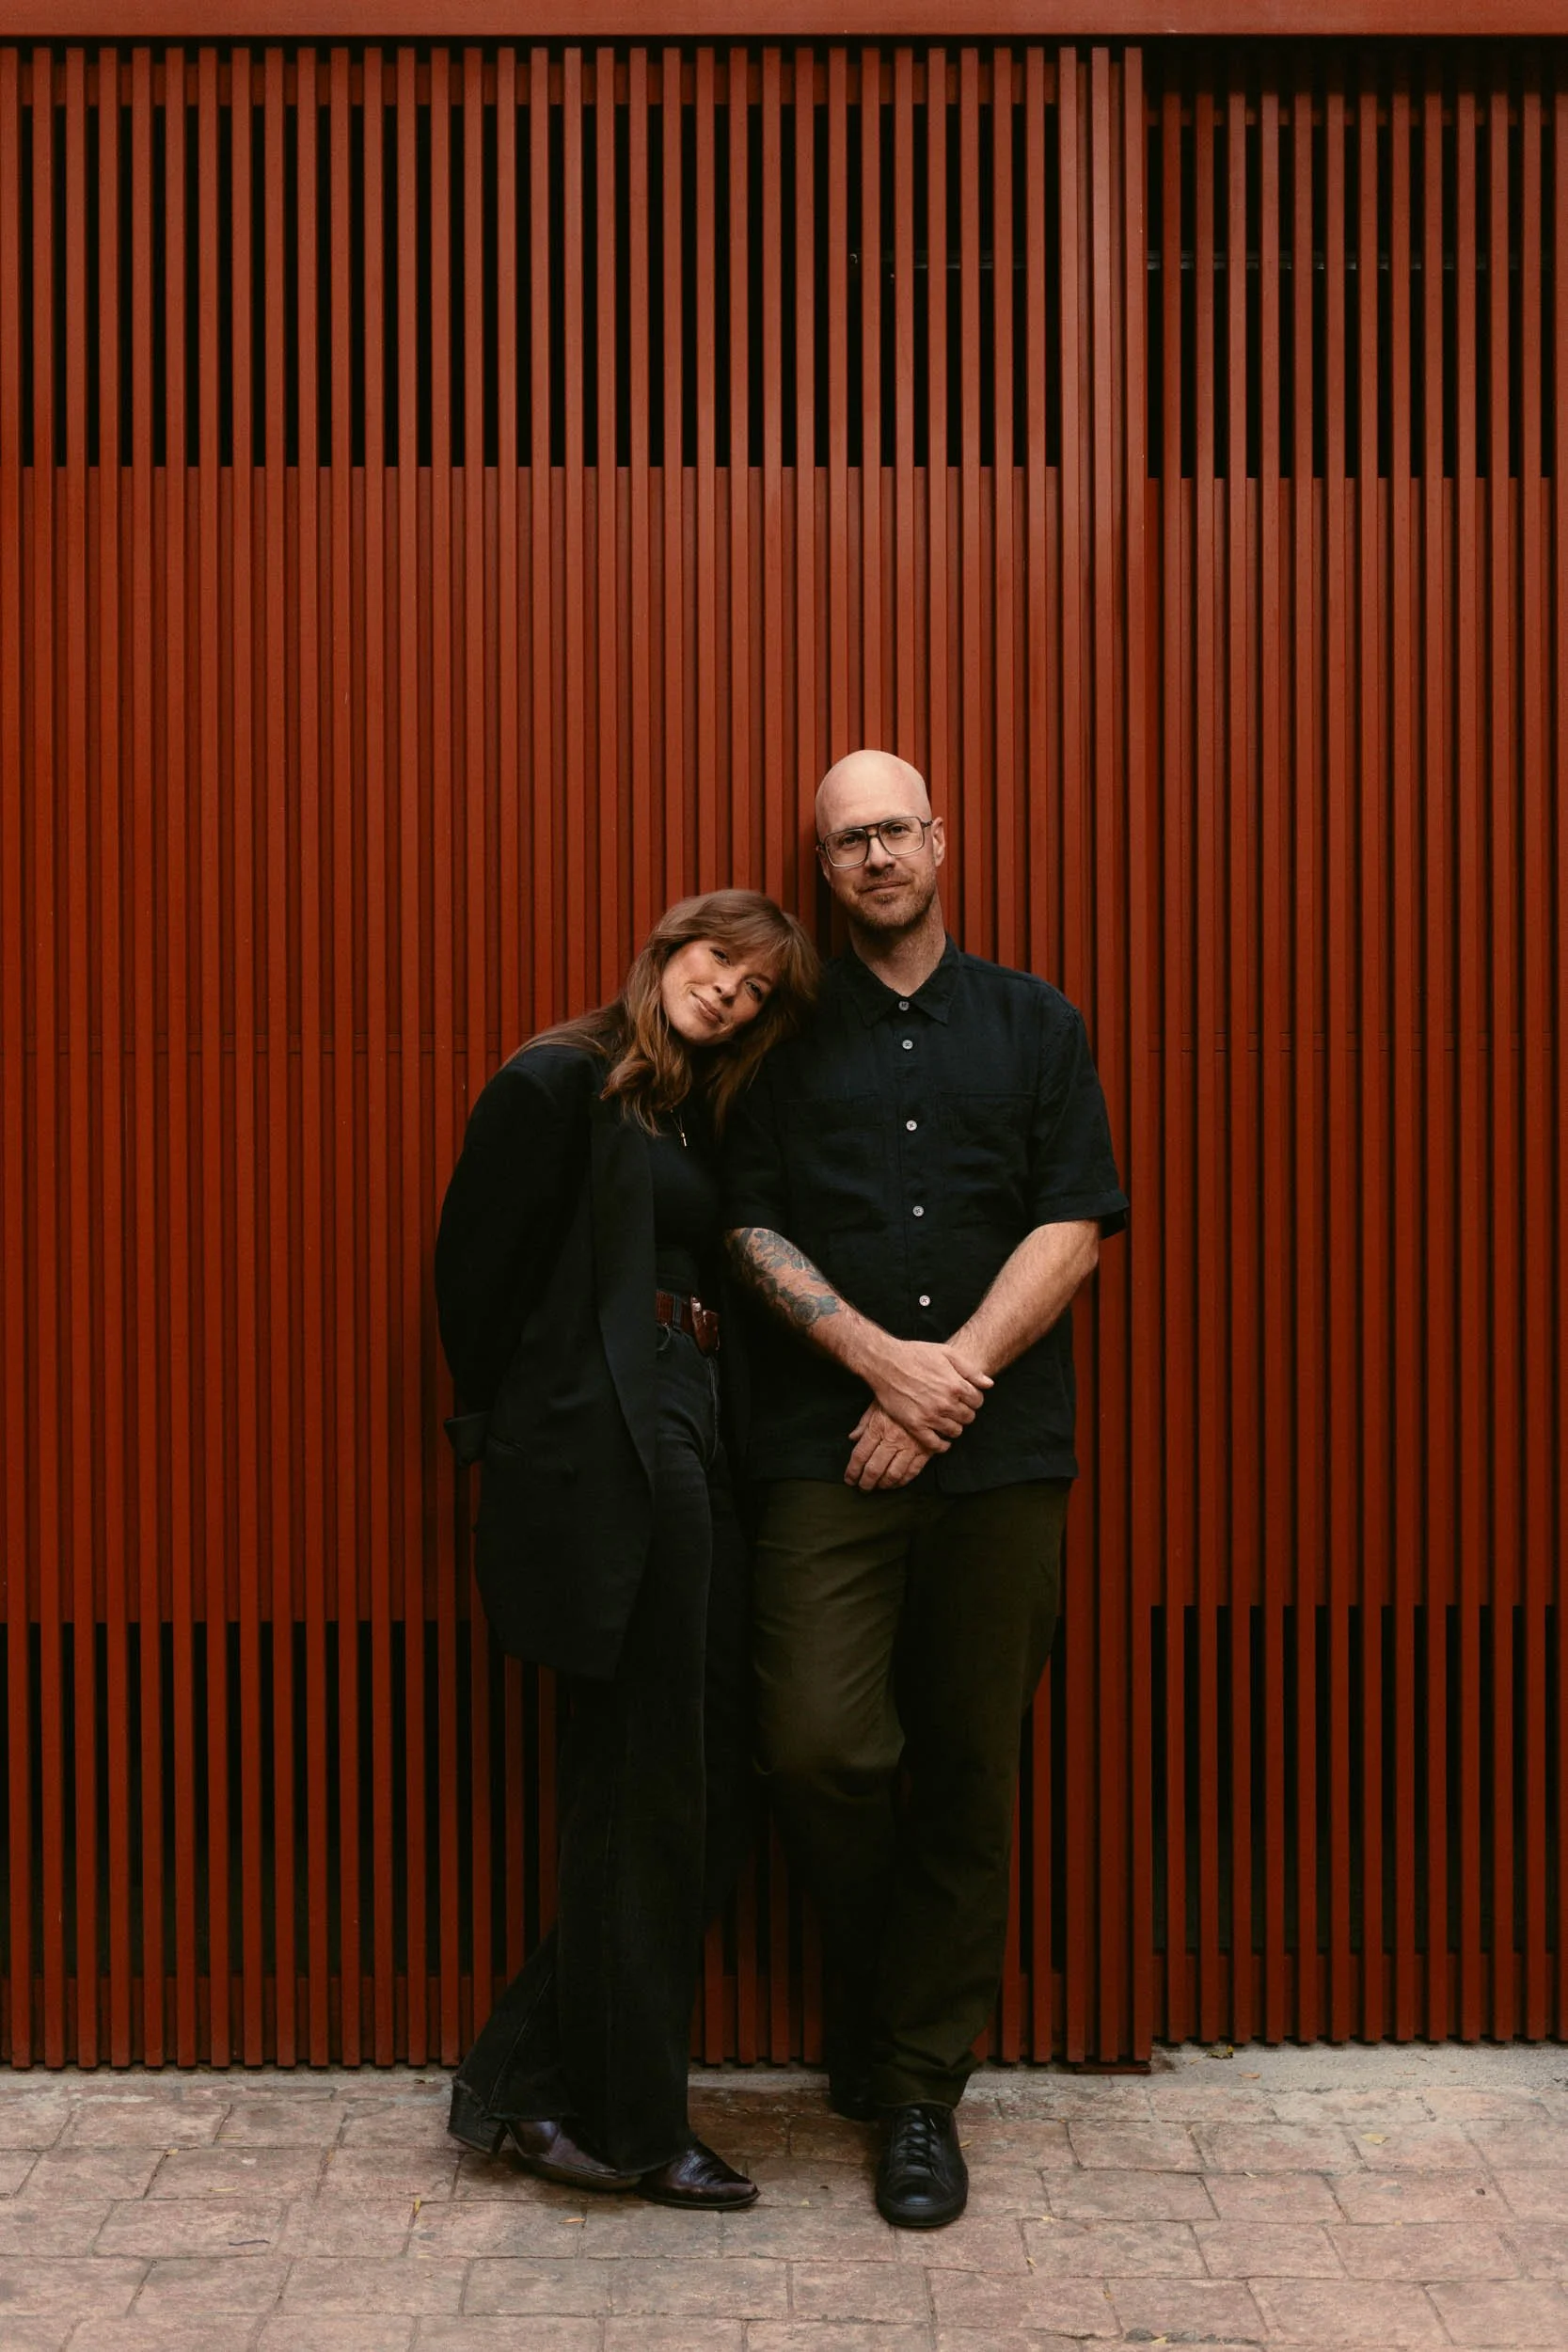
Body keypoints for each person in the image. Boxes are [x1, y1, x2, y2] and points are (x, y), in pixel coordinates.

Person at [723, 750, 1127, 2229]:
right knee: (819, 1745)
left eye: (894, 829)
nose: (876, 856)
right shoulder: (779, 1035)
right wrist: (874, 1366)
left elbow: (1074, 1220)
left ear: (940, 839)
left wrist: (940, 1376)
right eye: (847, 842)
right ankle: (903, 2001)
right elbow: (747, 1227)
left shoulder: (1036, 1021)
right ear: (822, 872)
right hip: (822, 1455)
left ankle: (912, 2091)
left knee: (967, 1767)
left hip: (999, 1455)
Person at [436, 889, 819, 2208]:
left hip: (693, 1420)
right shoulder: (557, 1084)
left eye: (758, 991)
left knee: (697, 1777)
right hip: (608, 1444)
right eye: (720, 964)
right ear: (667, 952)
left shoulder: (685, 1111)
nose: (730, 995)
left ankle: (523, 2076)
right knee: (645, 1779)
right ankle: (633, 2125)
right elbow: (473, 1290)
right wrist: (526, 1458)